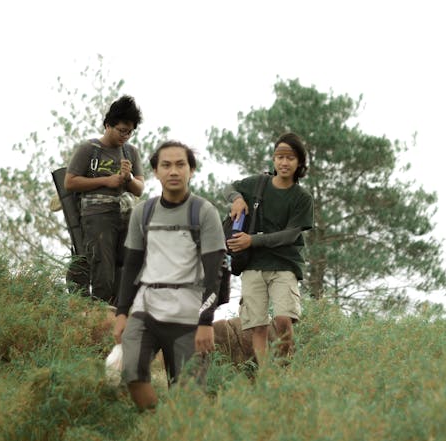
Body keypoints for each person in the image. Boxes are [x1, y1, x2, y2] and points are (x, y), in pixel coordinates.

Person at [113, 140, 225, 410]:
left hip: (189, 314)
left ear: (191, 170)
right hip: (146, 308)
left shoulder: (204, 212)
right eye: (166, 165)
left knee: (188, 397)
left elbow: (216, 271)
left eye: (180, 164)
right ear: (155, 172)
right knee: (130, 372)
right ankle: (156, 424)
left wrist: (206, 321)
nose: (173, 171)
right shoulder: (143, 212)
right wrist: (121, 311)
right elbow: (131, 266)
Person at [223, 132, 314, 366]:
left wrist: (252, 240)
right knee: (257, 325)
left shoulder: (302, 198)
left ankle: (285, 369)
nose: (284, 162)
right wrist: (236, 199)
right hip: (253, 265)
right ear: (274, 159)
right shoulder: (257, 184)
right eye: (280, 156)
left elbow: (290, 235)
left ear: (299, 163)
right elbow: (230, 187)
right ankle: (267, 378)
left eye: (290, 158)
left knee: (284, 319)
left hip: (285, 264)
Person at [64, 95, 145, 306]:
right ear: (108, 124)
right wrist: (107, 180)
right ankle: (99, 313)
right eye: (121, 130)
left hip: (126, 215)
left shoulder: (130, 152)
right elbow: (70, 182)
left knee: (125, 267)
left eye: (130, 132)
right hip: (96, 214)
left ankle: (118, 312)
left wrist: (127, 179)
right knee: (103, 268)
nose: (125, 136)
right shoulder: (89, 149)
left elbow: (140, 188)